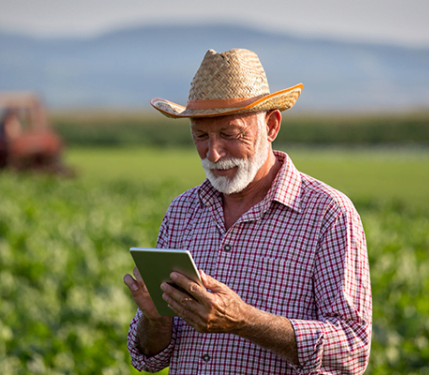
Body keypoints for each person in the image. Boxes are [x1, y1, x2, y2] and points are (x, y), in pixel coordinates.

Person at [123, 48, 372, 374]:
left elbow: (352, 348)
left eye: (230, 134)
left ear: (271, 126)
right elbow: (150, 358)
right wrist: (156, 318)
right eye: (200, 135)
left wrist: (244, 321)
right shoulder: (183, 211)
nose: (213, 153)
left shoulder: (327, 213)